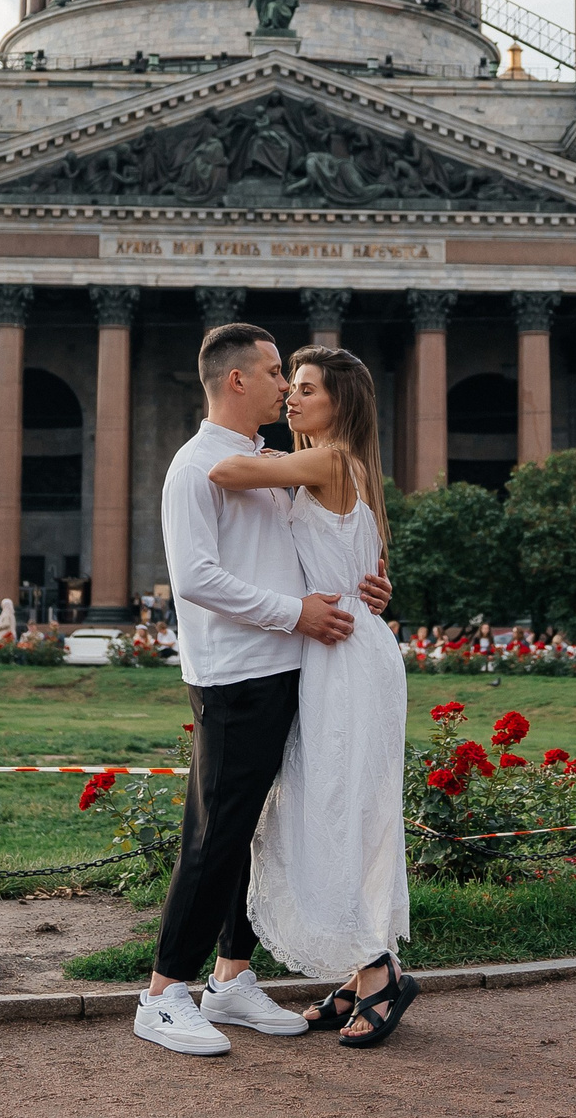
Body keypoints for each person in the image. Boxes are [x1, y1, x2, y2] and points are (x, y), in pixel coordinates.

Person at [133, 322, 393, 1059]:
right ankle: (162, 993)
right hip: (237, 672)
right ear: (237, 380)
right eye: (278, 372)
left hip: (288, 666)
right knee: (214, 836)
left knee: (254, 829)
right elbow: (197, 581)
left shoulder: (269, 459)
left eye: (297, 378)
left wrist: (359, 583)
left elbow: (310, 544)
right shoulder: (197, 466)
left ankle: (231, 977)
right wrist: (299, 612)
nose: (286, 386)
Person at [210, 342, 418, 1047]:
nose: (292, 399)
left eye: (306, 389)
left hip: (344, 654)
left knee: (338, 812)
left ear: (339, 404)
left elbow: (225, 468)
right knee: (341, 809)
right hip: (349, 645)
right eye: (289, 386)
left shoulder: (328, 458)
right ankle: (365, 970)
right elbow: (365, 570)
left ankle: (378, 972)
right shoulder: (344, 464)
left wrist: (254, 448)